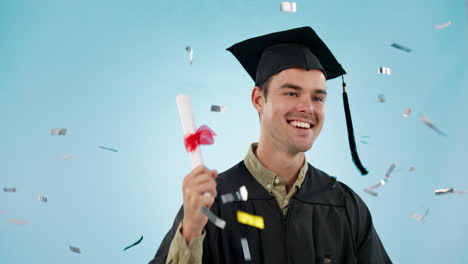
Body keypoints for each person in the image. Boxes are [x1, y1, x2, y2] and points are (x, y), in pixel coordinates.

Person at [149, 26, 392, 264]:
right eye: (291, 93)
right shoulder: (212, 202)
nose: (308, 108)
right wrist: (191, 230)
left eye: (317, 97)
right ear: (258, 100)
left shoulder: (345, 206)